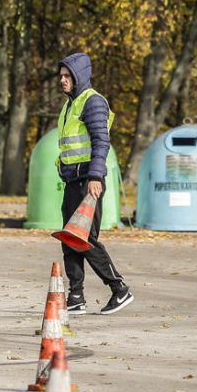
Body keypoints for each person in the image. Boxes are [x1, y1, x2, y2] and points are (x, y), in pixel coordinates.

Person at [57, 52, 134, 315]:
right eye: (61, 75)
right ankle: (76, 296)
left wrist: (95, 176)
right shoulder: (71, 104)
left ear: (79, 76)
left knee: (84, 238)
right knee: (69, 238)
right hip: (72, 182)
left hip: (87, 182)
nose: (62, 80)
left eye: (67, 76)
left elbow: (102, 141)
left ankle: (119, 289)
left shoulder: (93, 102)